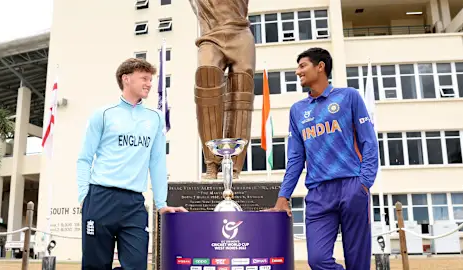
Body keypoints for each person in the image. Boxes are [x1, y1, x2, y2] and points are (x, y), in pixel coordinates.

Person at [266, 48, 379, 270]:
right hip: (318, 194)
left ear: (320, 67)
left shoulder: (348, 97)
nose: (298, 71)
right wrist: (283, 196)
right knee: (317, 260)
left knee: (358, 262)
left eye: (302, 66)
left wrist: (364, 183)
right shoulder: (298, 110)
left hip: (352, 186)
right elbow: (296, 158)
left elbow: (369, 142)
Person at [76, 58, 187, 270]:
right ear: (126, 79)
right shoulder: (103, 114)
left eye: (150, 79)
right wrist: (84, 195)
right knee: (95, 266)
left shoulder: (154, 118)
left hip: (134, 203)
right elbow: (84, 158)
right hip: (100, 198)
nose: (149, 83)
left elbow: (157, 161)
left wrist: (161, 203)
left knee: (136, 265)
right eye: (144, 78)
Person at [188, 0, 256, 179]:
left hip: (240, 36)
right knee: (206, 77)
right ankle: (212, 162)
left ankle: (234, 167)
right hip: (210, 37)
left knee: (242, 95)